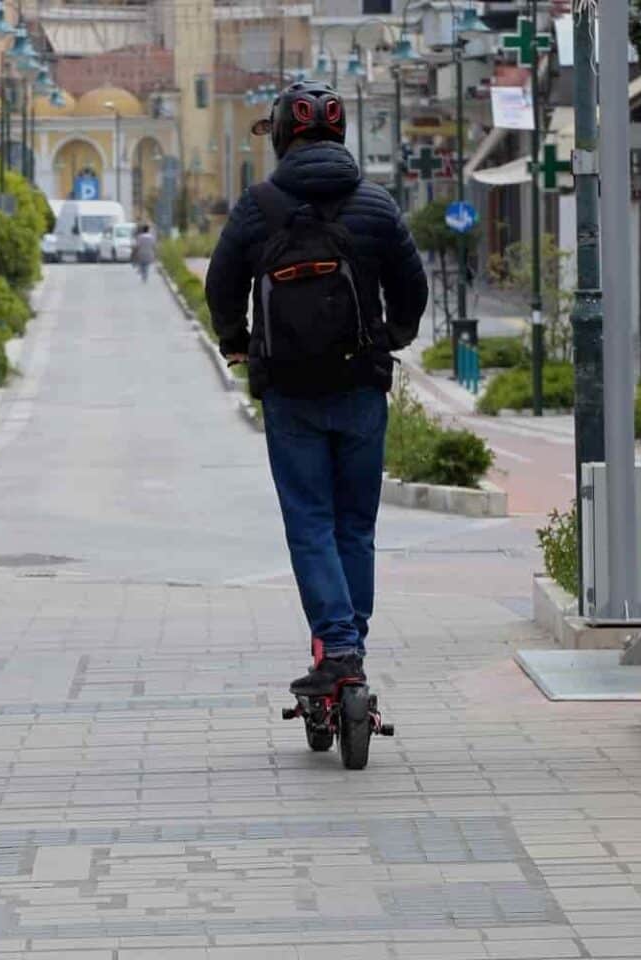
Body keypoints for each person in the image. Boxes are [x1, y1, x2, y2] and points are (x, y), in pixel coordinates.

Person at [205, 81, 428, 698]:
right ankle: (348, 642)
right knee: (355, 524)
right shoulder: (377, 205)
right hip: (361, 384)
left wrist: (237, 340)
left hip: (290, 393)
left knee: (310, 522)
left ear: (281, 136)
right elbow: (414, 287)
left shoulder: (256, 207)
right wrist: (393, 334)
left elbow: (220, 285)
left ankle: (338, 645)